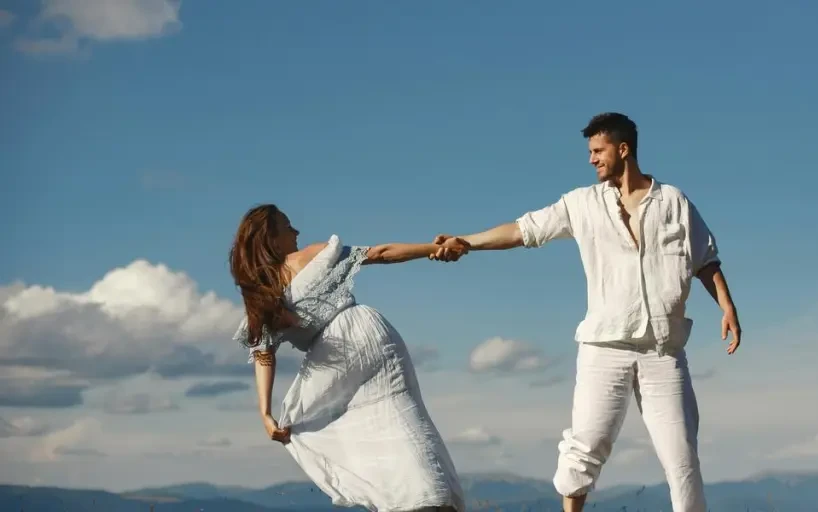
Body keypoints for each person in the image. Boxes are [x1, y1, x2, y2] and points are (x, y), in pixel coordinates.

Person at [429, 112, 741, 512]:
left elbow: (705, 261)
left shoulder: (675, 203)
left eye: (598, 150)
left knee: (683, 459)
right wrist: (467, 241)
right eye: (590, 152)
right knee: (585, 447)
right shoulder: (582, 204)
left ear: (622, 149)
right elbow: (523, 230)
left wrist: (727, 306)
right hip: (603, 347)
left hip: (664, 352)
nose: (592, 159)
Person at [228, 204, 467, 512]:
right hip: (367, 336)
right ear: (272, 238)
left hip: (332, 357)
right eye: (288, 227)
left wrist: (266, 412)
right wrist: (433, 248)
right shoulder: (312, 256)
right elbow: (380, 253)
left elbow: (263, 354)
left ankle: (409, 498)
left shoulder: (262, 293)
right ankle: (429, 496)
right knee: (402, 415)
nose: (297, 231)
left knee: (341, 424)